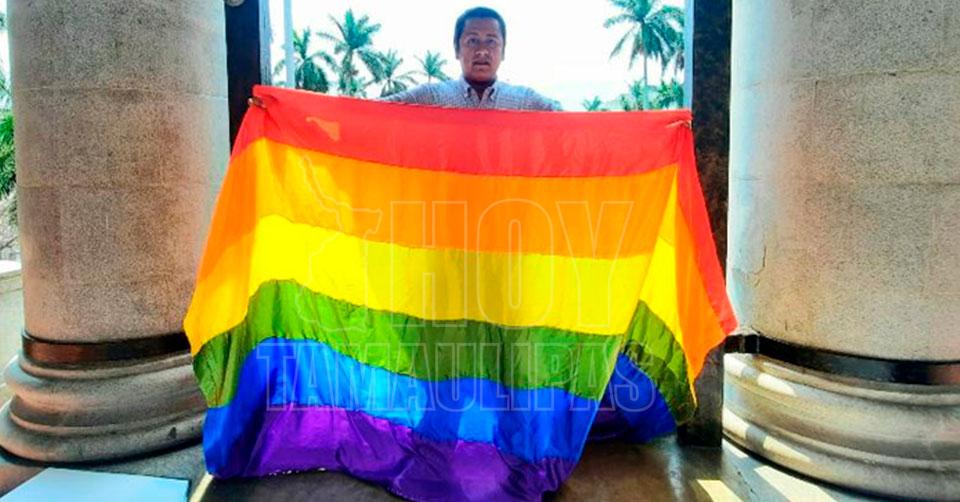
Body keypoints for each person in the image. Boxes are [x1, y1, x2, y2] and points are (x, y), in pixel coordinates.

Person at [385, 7, 561, 111]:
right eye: (472, 41)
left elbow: (570, 126)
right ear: (457, 49)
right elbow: (376, 113)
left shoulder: (525, 101)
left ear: (503, 51)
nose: (482, 51)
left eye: (491, 41)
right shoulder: (431, 97)